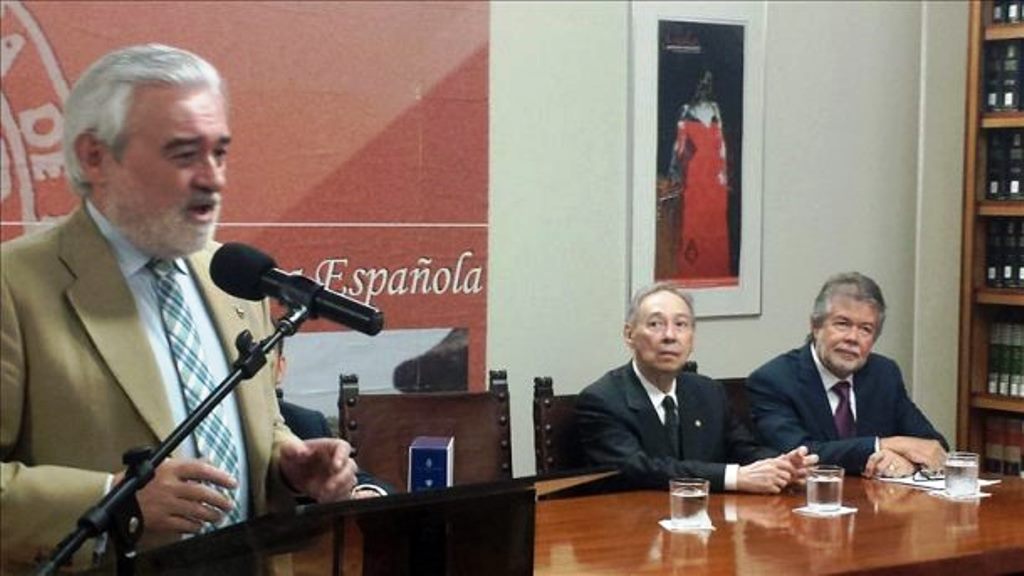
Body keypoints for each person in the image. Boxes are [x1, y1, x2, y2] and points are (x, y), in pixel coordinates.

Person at [0, 44, 363, 572]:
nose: (213, 178)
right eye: (184, 153)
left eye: (220, 152)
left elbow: (249, 427)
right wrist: (111, 500)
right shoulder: (13, 287)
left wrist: (288, 463)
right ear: (94, 157)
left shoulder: (234, 277)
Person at [576, 281, 817, 493]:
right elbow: (639, 470)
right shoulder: (602, 400)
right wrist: (734, 478)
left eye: (681, 325)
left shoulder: (708, 392)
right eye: (656, 324)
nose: (670, 336)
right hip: (634, 530)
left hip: (708, 524)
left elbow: (742, 449)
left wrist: (782, 465)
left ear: (692, 337)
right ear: (629, 335)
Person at [747, 272, 948, 478]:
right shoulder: (773, 380)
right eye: (842, 324)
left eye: (865, 329)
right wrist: (881, 445)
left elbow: (932, 446)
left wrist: (906, 463)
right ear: (816, 326)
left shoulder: (884, 374)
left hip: (878, 502)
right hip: (804, 504)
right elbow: (798, 455)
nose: (853, 338)